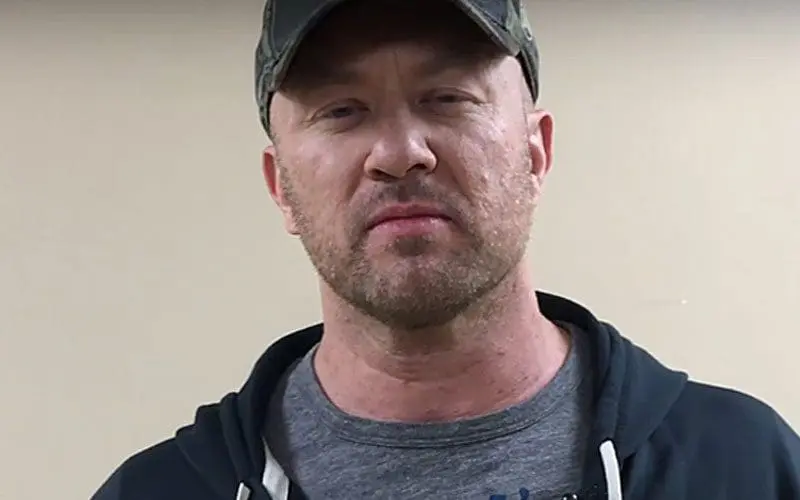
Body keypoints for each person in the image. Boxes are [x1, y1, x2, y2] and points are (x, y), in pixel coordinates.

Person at [92, 0, 800, 498]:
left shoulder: (744, 468)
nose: (400, 153)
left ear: (536, 152)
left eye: (448, 97)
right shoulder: (157, 491)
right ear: (281, 187)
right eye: (341, 111)